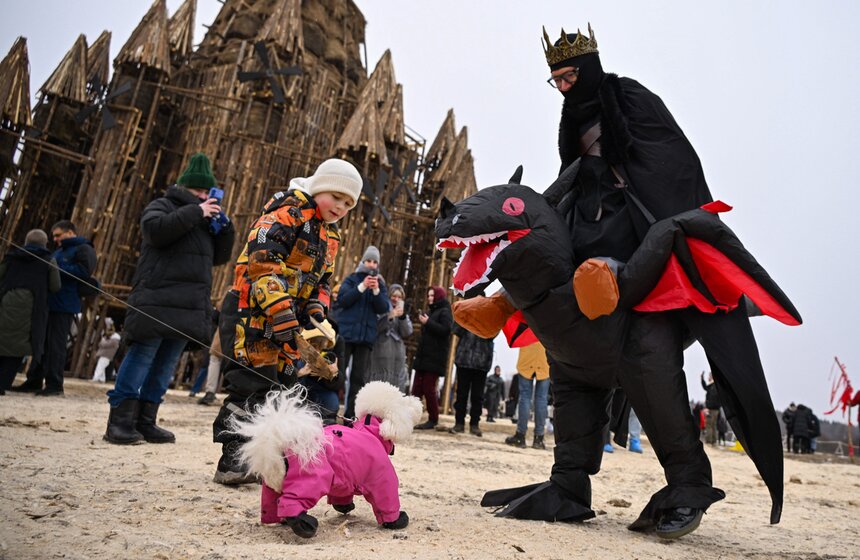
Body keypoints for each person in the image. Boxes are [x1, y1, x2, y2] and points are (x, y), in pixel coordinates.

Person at [211, 158, 360, 485]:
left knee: (283, 387)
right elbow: (262, 264)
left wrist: (316, 312)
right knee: (251, 385)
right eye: (336, 196)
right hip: (253, 310)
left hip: (288, 317)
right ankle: (233, 459)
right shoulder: (286, 214)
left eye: (349, 203)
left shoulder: (329, 235)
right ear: (320, 187)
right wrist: (279, 310)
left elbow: (322, 281)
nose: (341, 206)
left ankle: (265, 459)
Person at [104, 153, 235, 445]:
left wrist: (225, 229)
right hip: (156, 298)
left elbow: (220, 257)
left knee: (165, 364)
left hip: (188, 304)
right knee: (141, 357)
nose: (204, 196)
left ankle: (146, 420)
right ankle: (120, 421)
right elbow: (155, 231)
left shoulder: (202, 218)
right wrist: (196, 212)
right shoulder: (162, 205)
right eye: (199, 191)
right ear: (185, 187)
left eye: (207, 192)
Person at [229, 382, 420, 538]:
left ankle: (274, 512)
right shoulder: (375, 452)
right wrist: (391, 517)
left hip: (294, 446)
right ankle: (293, 511)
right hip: (313, 454)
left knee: (284, 471)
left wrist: (342, 500)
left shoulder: (350, 435)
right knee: (312, 475)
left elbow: (345, 473)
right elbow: (384, 486)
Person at [12, 220, 96, 396]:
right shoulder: (59, 251)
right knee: (41, 344)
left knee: (56, 346)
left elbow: (83, 273)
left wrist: (57, 267)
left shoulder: (84, 249)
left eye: (58, 235)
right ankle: (34, 380)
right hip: (49, 303)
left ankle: (55, 385)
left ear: (70, 232)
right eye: (54, 236)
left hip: (64, 305)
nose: (56, 239)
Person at [0, 230, 61, 394]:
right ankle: (2, 384)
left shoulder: (12, 257)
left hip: (7, 301)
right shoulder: (49, 261)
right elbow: (55, 286)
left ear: (26, 242)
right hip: (33, 308)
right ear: (45, 243)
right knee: (19, 346)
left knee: (1, 339)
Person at [338, 245, 390, 418]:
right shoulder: (352, 279)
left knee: (358, 380)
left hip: (366, 338)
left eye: (375, 262)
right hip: (347, 334)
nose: (371, 265)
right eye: (368, 261)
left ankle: (350, 417)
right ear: (363, 261)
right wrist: (361, 287)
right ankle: (329, 410)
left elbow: (383, 308)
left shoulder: (380, 285)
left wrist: (375, 291)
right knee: (338, 373)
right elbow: (343, 300)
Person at [412, 286, 453, 430]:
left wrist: (428, 322)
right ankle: (410, 417)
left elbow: (446, 330)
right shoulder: (432, 311)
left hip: (434, 358)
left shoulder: (445, 312)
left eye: (431, 295)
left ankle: (433, 419)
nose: (429, 298)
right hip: (424, 356)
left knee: (429, 389)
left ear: (438, 296)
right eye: (428, 295)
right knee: (416, 388)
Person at [449, 321, 494, 437]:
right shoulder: (466, 311)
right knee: (461, 394)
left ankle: (474, 424)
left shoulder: (491, 314)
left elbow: (493, 333)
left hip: (482, 361)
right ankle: (459, 423)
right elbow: (455, 330)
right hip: (464, 358)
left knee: (478, 396)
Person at [368, 284, 413, 393]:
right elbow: (375, 327)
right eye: (394, 296)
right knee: (379, 382)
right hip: (380, 350)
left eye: (399, 297)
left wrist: (402, 317)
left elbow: (407, 332)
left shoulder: (403, 313)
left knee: (395, 384)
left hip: (397, 353)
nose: (396, 299)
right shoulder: (382, 307)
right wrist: (389, 316)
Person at [506, 341, 550, 450]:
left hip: (527, 356)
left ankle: (520, 436)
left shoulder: (528, 322)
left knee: (525, 397)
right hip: (545, 360)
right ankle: (539, 439)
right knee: (541, 399)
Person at [701, 371, 721, 445]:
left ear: (712, 377)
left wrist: (708, 407)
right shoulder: (714, 385)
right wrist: (702, 379)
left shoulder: (713, 386)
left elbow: (712, 398)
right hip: (716, 409)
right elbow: (705, 387)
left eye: (709, 376)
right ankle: (714, 441)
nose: (708, 378)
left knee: (709, 425)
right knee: (713, 425)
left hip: (711, 409)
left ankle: (709, 441)